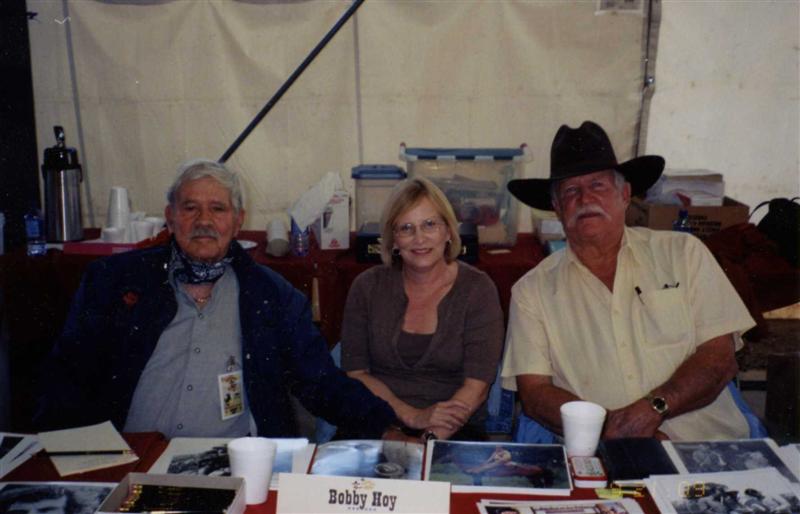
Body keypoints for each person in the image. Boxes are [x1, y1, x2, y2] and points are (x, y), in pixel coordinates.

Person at [34, 159, 399, 439]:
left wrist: (387, 426)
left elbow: (320, 383)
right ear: (170, 218)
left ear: (238, 221)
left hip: (232, 463)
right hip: (133, 459)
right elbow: (66, 377)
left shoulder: (271, 295)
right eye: (190, 208)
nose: (203, 220)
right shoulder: (114, 281)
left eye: (218, 209)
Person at [501, 121, 755, 441]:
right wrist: (611, 430)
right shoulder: (531, 291)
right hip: (601, 450)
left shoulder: (684, 254)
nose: (585, 199)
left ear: (624, 195)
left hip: (703, 444)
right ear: (556, 208)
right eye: (571, 191)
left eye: (598, 186)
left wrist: (652, 411)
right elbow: (535, 393)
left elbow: (720, 358)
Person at [341, 177, 504, 441]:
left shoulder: (478, 289)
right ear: (393, 240)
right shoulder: (367, 287)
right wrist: (409, 418)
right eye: (406, 228)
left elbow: (477, 387)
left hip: (453, 429)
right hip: (376, 423)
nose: (419, 239)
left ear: (449, 231)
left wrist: (426, 440)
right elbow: (356, 373)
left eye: (430, 224)